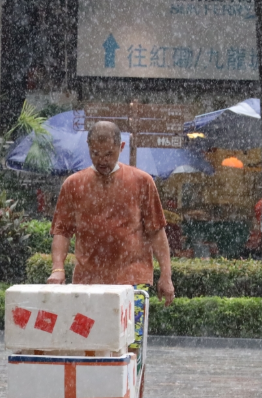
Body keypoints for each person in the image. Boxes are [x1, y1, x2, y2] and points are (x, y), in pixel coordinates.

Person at [47, 121, 175, 398]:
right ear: (89, 148)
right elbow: (61, 231)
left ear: (121, 147)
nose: (102, 161)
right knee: (90, 346)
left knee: (130, 349)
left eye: (108, 154)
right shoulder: (74, 185)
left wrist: (166, 276)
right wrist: (58, 269)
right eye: (96, 154)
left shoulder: (142, 182)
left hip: (133, 282)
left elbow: (157, 233)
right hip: (88, 282)